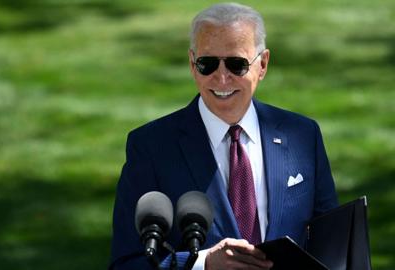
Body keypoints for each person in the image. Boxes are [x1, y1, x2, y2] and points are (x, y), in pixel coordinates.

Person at [110, 2, 338, 269]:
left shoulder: (303, 136)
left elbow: (333, 243)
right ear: (192, 65)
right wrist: (203, 264)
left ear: (262, 64)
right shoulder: (150, 147)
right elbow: (126, 262)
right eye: (207, 64)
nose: (221, 79)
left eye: (236, 64)